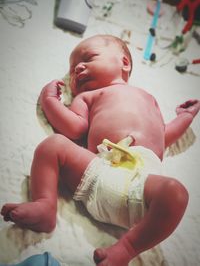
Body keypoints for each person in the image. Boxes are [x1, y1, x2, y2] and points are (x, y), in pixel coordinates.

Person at [1, 34, 200, 266]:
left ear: (124, 63)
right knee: (53, 145)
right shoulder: (88, 96)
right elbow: (75, 127)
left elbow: (163, 135)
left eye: (88, 58)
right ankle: (45, 204)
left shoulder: (149, 99)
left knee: (175, 194)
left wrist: (185, 117)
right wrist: (50, 100)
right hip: (99, 172)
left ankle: (127, 248)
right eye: (73, 69)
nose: (77, 68)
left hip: (142, 187)